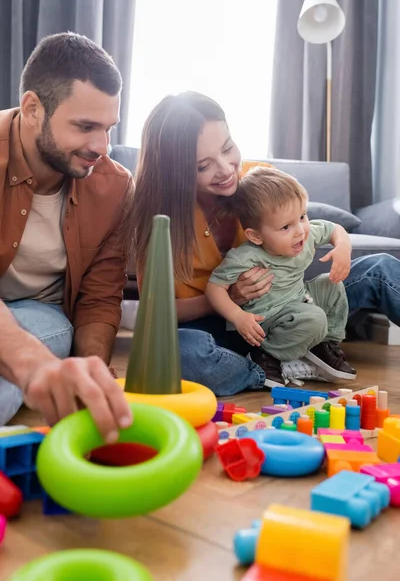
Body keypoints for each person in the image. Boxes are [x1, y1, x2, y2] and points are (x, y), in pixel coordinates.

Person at [131, 90, 400, 397]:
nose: (226, 168)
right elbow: (157, 312)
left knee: (380, 269)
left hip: (295, 307)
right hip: (231, 328)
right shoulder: (160, 220)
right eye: (203, 166)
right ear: (174, 173)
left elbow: (304, 225)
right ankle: (264, 369)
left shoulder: (260, 179)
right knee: (183, 352)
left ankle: (300, 348)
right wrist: (229, 298)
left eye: (227, 148)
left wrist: (342, 246)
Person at [0, 32, 133, 442]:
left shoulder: (114, 187)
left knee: (41, 334)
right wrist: (31, 364)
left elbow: (99, 298)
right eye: (85, 126)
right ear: (33, 108)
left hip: (40, 317)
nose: (101, 146)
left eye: (109, 128)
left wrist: (90, 377)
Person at [205, 166, 356, 386]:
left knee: (331, 284)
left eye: (302, 216)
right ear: (256, 236)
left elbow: (335, 230)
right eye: (285, 227)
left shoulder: (305, 233)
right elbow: (214, 288)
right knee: (315, 319)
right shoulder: (246, 257)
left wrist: (343, 248)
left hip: (299, 297)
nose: (300, 231)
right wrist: (237, 316)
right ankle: (267, 355)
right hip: (269, 319)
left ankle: (324, 345)